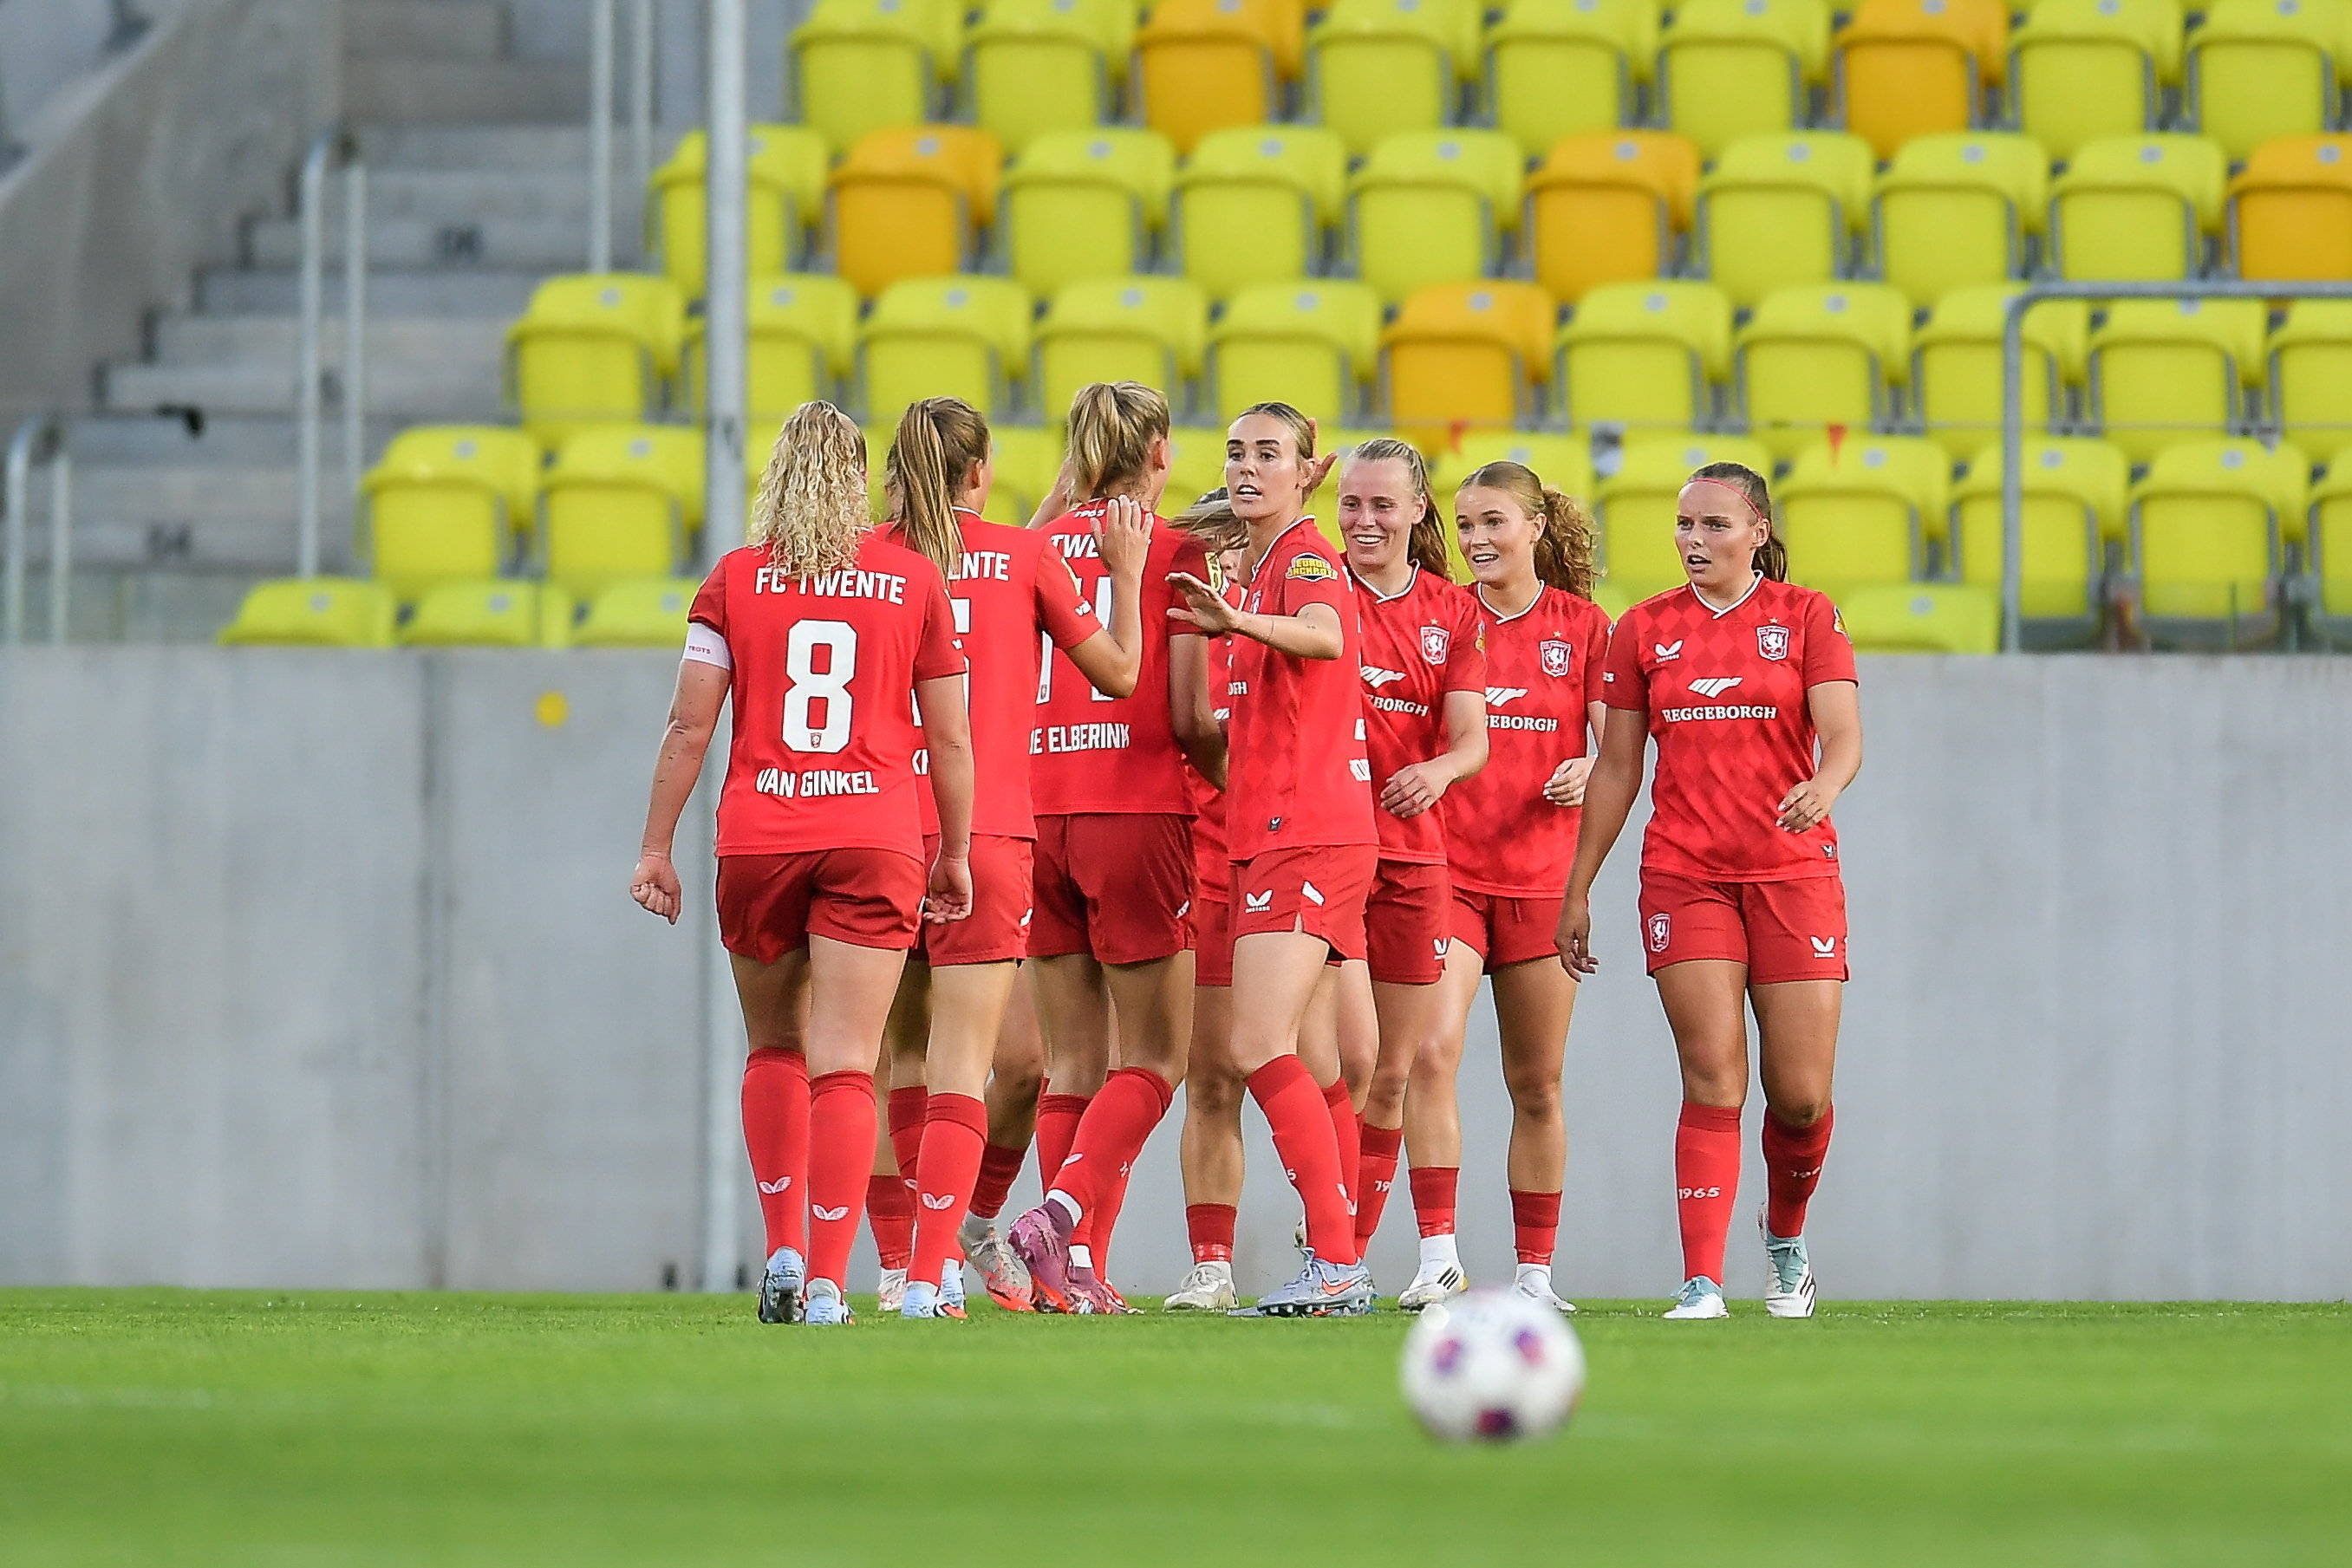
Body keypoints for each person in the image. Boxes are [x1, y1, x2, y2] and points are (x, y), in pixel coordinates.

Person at [628, 400, 973, 1328]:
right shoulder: (913, 580)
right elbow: (948, 739)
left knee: (774, 1047)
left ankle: (780, 1248)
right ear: (859, 481)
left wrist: (655, 847)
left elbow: (689, 724)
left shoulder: (734, 581)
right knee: (848, 1063)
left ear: (775, 477)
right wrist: (956, 856)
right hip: (875, 835)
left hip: (760, 836)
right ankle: (826, 1281)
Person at [1557, 460, 1862, 1321]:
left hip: (1792, 875)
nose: (1693, 541)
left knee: (1799, 1094)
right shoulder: (1643, 629)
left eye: (1713, 526)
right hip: (1683, 875)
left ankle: (1786, 1240)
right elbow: (1617, 769)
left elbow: (1842, 736)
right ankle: (1699, 1280)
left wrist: (1826, 787)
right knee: (1712, 1076)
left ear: (1758, 533)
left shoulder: (1806, 618)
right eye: (1684, 525)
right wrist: (1578, 886)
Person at [872, 396, 1153, 1318]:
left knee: (895, 1059)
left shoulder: (866, 560)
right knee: (965, 1065)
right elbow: (1116, 673)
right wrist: (1123, 573)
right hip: (986, 828)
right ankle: (931, 1270)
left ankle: (900, 1260)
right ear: (981, 473)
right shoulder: (1024, 558)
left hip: (873, 824)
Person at [1147, 401, 1378, 1317]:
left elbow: (1325, 632)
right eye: (1237, 451)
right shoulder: (1259, 568)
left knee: (1251, 1043)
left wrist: (1238, 623)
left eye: (1269, 454)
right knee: (1315, 1063)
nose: (1247, 468)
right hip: (1276, 837)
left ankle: (1335, 1257)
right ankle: (1339, 1254)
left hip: (1307, 836)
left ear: (1308, 472)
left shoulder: (1306, 558)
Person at [1009, 382, 1221, 1313]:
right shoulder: (1174, 554)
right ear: (1162, 454)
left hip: (1035, 813)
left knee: (1073, 1065)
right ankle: (1059, 1220)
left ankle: (1074, 1273)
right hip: (1133, 814)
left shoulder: (1024, 548)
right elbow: (1185, 713)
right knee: (1157, 1060)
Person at [1399, 461, 1613, 1314]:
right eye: (1465, 525)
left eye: (1494, 522)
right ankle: (1438, 1257)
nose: (1478, 540)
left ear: (1534, 526)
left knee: (1537, 1083)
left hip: (1540, 879)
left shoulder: (1584, 628)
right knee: (1427, 1051)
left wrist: (1588, 766)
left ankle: (1533, 1275)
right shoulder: (1441, 616)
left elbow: (1619, 756)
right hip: (1446, 872)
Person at [1332, 440, 1490, 1285]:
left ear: (1417, 510)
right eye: (1351, 504)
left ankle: (1378, 1256)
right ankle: (1330, 1242)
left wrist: (1436, 769)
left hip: (1414, 860)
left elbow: (1472, 740)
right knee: (1349, 1061)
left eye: (1381, 505)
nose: (1363, 521)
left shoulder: (1450, 611)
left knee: (1396, 1067)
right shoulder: (1314, 591)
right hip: (1323, 853)